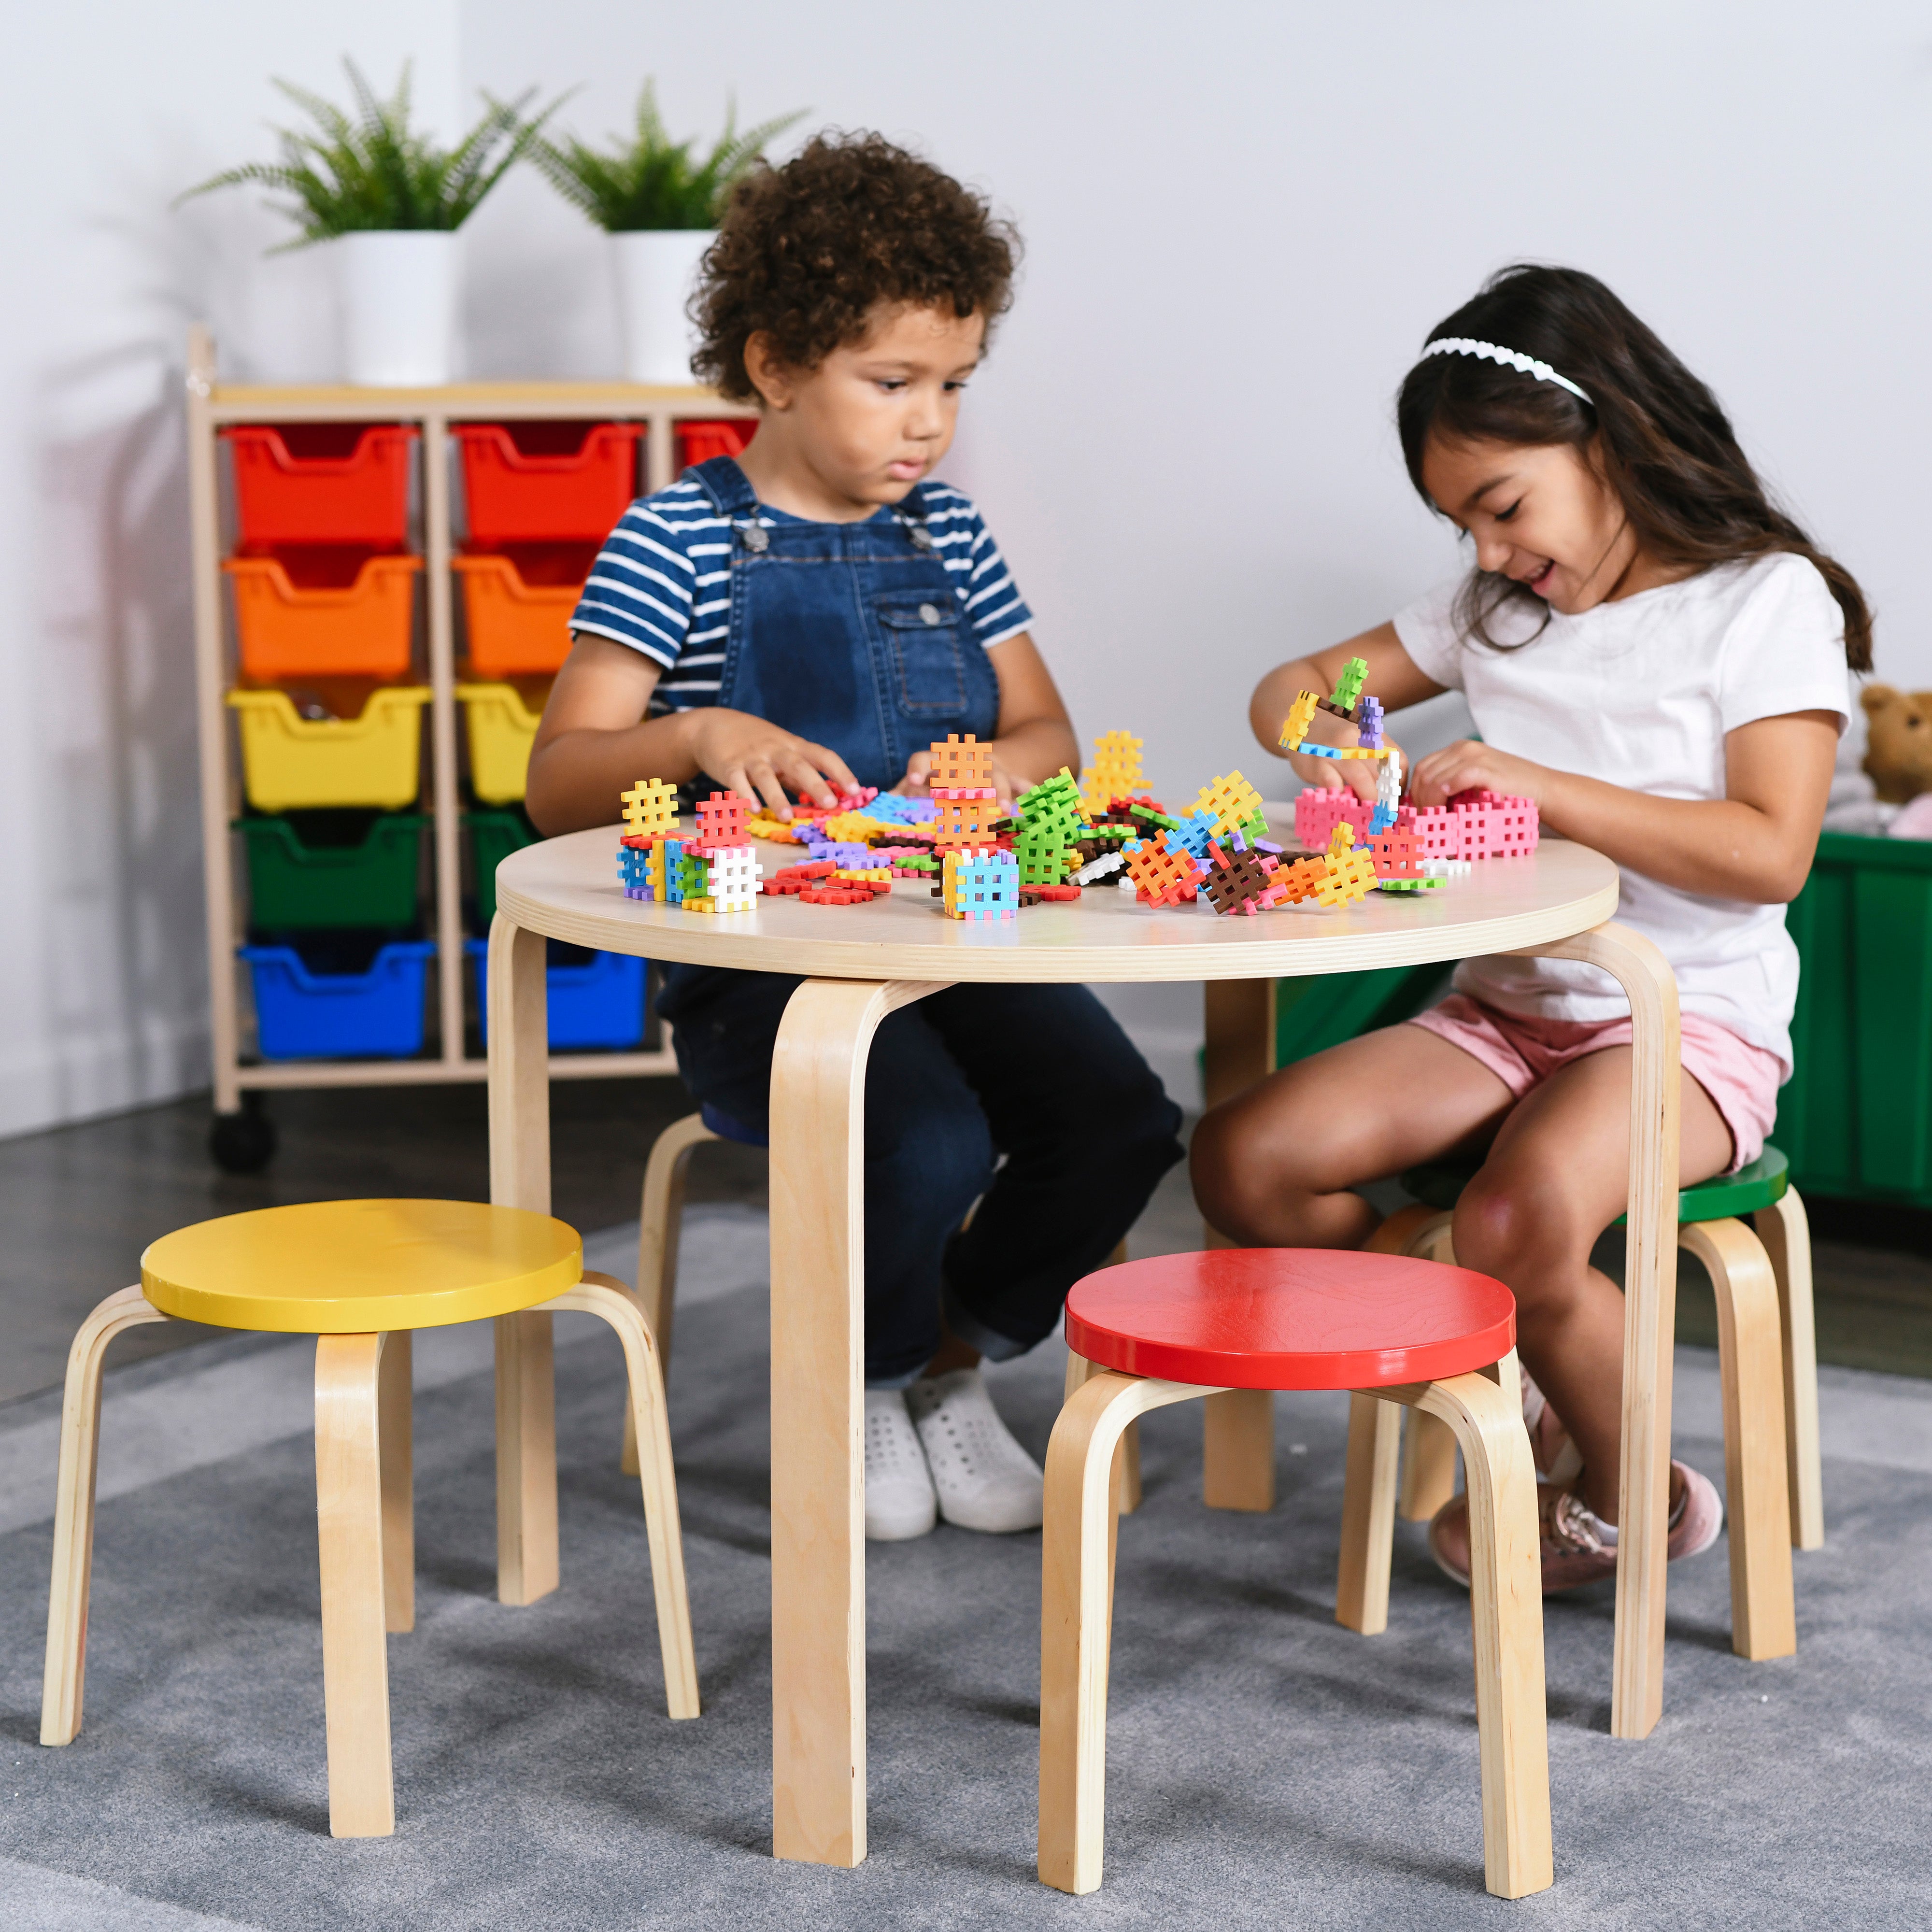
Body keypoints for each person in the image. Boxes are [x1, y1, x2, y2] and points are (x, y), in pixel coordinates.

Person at [524, 132, 1183, 1544]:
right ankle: (862, 1387)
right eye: (891, 384)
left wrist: (987, 771)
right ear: (774, 367)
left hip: (953, 940)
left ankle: (948, 1361)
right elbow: (560, 776)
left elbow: (1046, 737)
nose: (927, 423)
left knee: (1122, 1122)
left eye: (952, 386)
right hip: (761, 974)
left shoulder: (949, 535)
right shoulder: (677, 541)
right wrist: (703, 737)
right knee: (926, 1139)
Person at [1191, 264, 1867, 1592]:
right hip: (1506, 1014)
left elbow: (1769, 855)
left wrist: (1547, 786)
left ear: (1606, 437)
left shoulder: (1763, 601)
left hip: (1688, 1023)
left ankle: (1632, 1499)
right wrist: (1335, 748)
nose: (1492, 553)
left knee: (1516, 1214)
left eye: (1503, 507)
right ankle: (1533, 1370)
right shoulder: (1494, 609)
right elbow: (1283, 692)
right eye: (1463, 526)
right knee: (1246, 1158)